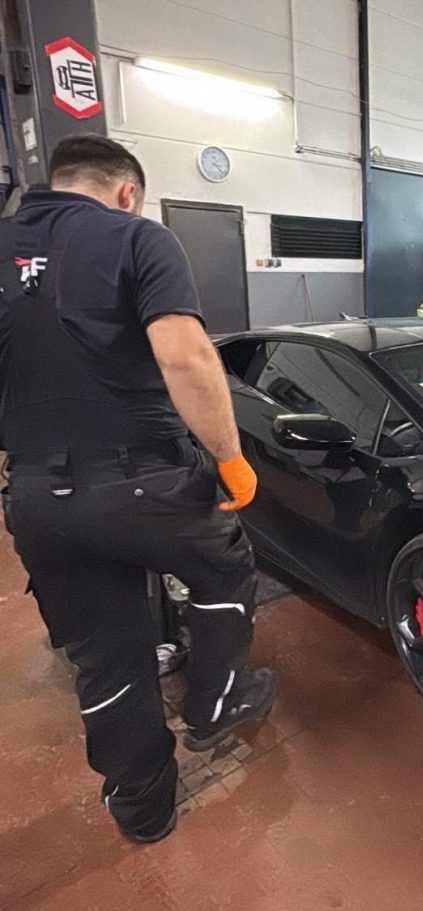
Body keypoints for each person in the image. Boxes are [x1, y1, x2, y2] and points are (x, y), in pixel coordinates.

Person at [0, 135, 277, 843]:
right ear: (127, 192)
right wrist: (230, 457)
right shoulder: (136, 237)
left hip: (36, 494)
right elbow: (184, 356)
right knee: (223, 565)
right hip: (145, 482)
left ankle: (142, 808)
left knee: (106, 657)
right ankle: (216, 704)